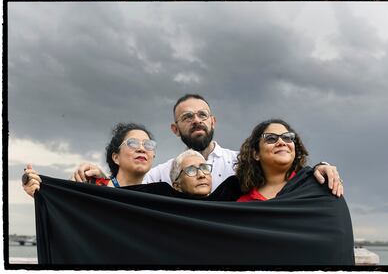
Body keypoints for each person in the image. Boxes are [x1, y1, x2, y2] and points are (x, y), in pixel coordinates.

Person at [72, 94, 343, 196]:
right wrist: (101, 181)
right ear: (175, 129)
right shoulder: (162, 173)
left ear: (213, 121)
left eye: (202, 115)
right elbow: (128, 198)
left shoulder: (244, 162)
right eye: (187, 117)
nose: (196, 121)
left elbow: (282, 173)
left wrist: (320, 167)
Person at [22, 122, 156, 196]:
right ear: (116, 157)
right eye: (133, 143)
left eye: (148, 145)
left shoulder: (157, 198)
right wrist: (40, 193)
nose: (142, 149)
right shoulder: (90, 188)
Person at [236, 118, 341, 201]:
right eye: (271, 138)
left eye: (287, 137)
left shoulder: (317, 188)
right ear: (256, 154)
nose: (282, 142)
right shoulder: (242, 203)